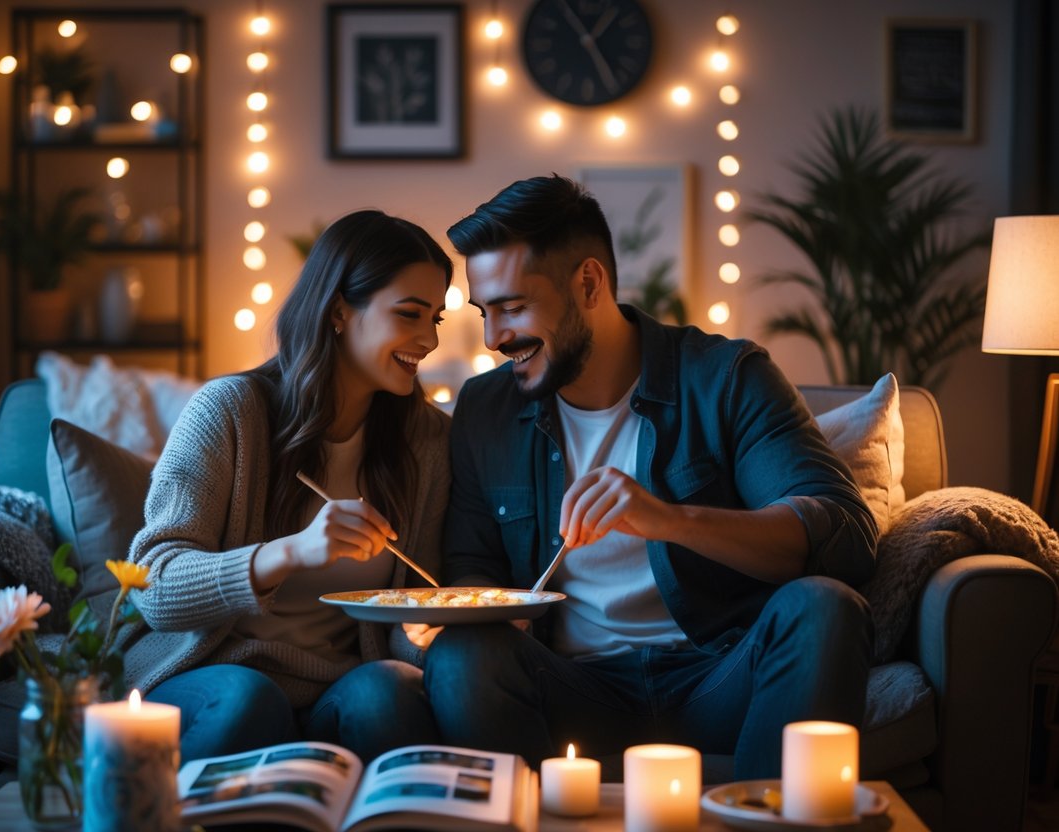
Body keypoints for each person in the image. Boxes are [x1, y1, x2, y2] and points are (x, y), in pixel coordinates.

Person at [423, 174, 877, 779]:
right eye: (485, 311)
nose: (493, 336)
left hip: (718, 678)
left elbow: (844, 535)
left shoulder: (726, 377)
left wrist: (669, 519)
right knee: (459, 655)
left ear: (589, 283)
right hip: (575, 690)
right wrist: (493, 608)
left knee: (823, 607)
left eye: (512, 307)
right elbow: (470, 563)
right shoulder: (486, 409)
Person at [128, 209, 452, 764]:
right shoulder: (227, 412)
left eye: (436, 319)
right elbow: (152, 586)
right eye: (409, 315)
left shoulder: (426, 440)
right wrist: (291, 552)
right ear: (338, 312)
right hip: (214, 673)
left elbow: (407, 614)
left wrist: (425, 630)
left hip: (338, 682)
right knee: (248, 700)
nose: (428, 340)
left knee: (388, 693)